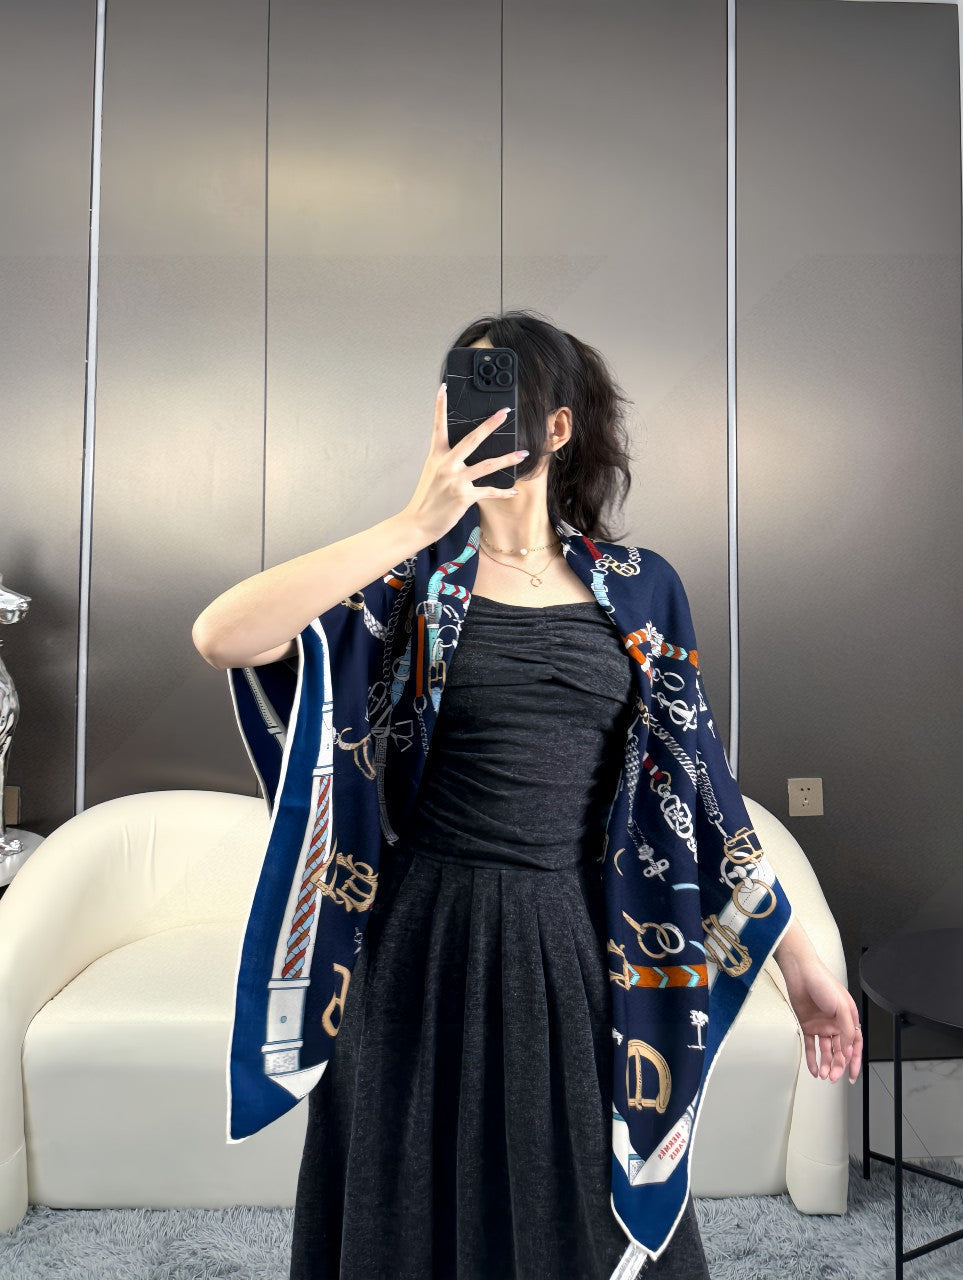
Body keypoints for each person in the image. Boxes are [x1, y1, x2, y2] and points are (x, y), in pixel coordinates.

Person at [195, 309, 862, 1280]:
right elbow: (222, 636)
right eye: (461, 392)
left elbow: (704, 786)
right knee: (410, 1202)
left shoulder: (641, 588)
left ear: (555, 425)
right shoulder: (409, 580)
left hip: (577, 939)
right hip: (420, 941)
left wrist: (798, 962)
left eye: (501, 392)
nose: (478, 416)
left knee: (583, 1202)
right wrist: (413, 523)